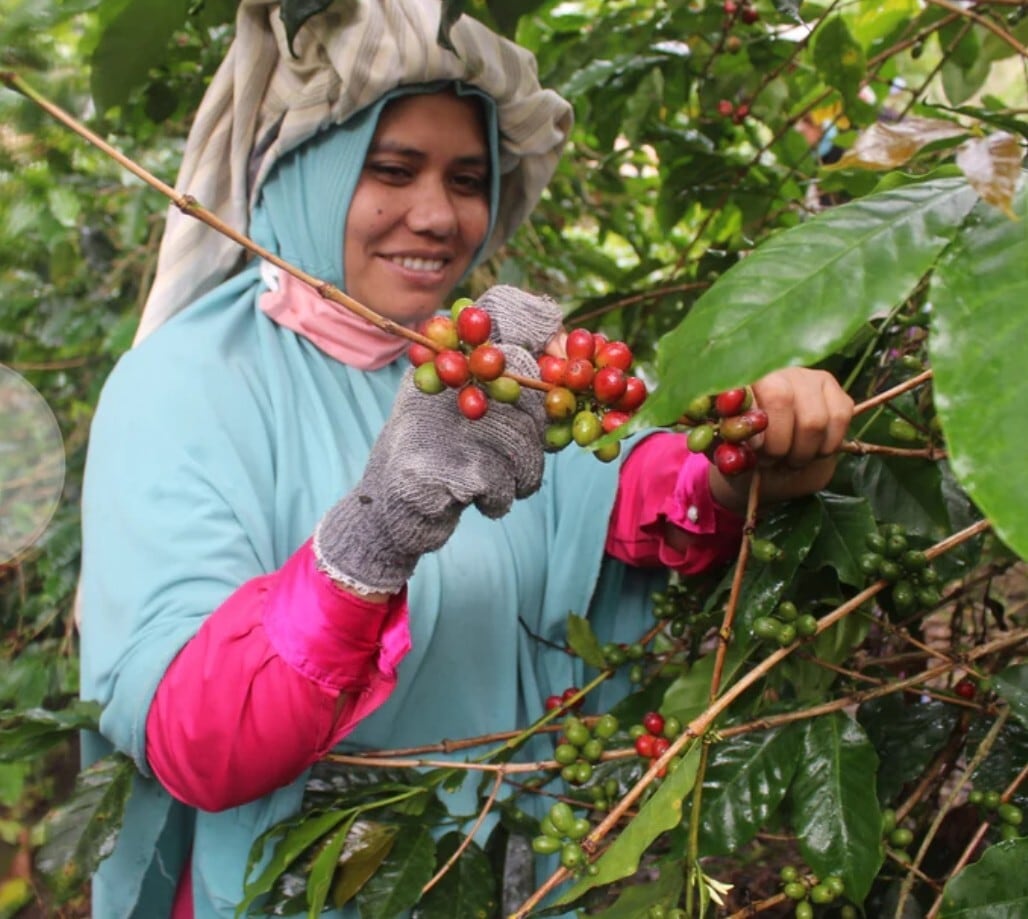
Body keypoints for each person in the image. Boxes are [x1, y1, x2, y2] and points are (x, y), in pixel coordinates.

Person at [76, 1, 855, 917]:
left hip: (502, 872)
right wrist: (374, 536)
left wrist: (743, 458)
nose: (437, 215)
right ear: (307, 170)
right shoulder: (180, 387)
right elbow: (199, 735)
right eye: (392, 170)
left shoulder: (480, 364)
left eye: (468, 179)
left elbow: (621, 490)